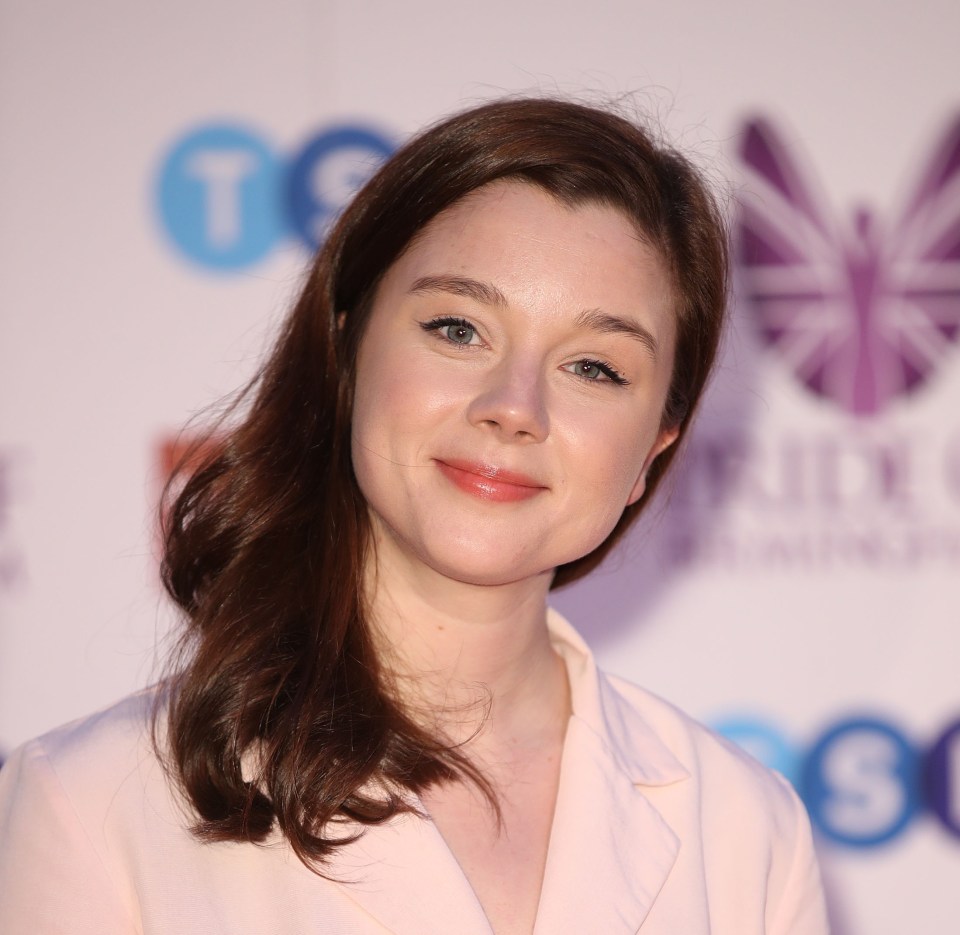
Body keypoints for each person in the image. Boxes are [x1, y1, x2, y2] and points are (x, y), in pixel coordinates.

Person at [0, 97, 828, 934]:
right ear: (347, 350)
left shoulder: (745, 830)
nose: (514, 407)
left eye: (594, 367)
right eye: (457, 327)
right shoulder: (92, 804)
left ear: (655, 446)